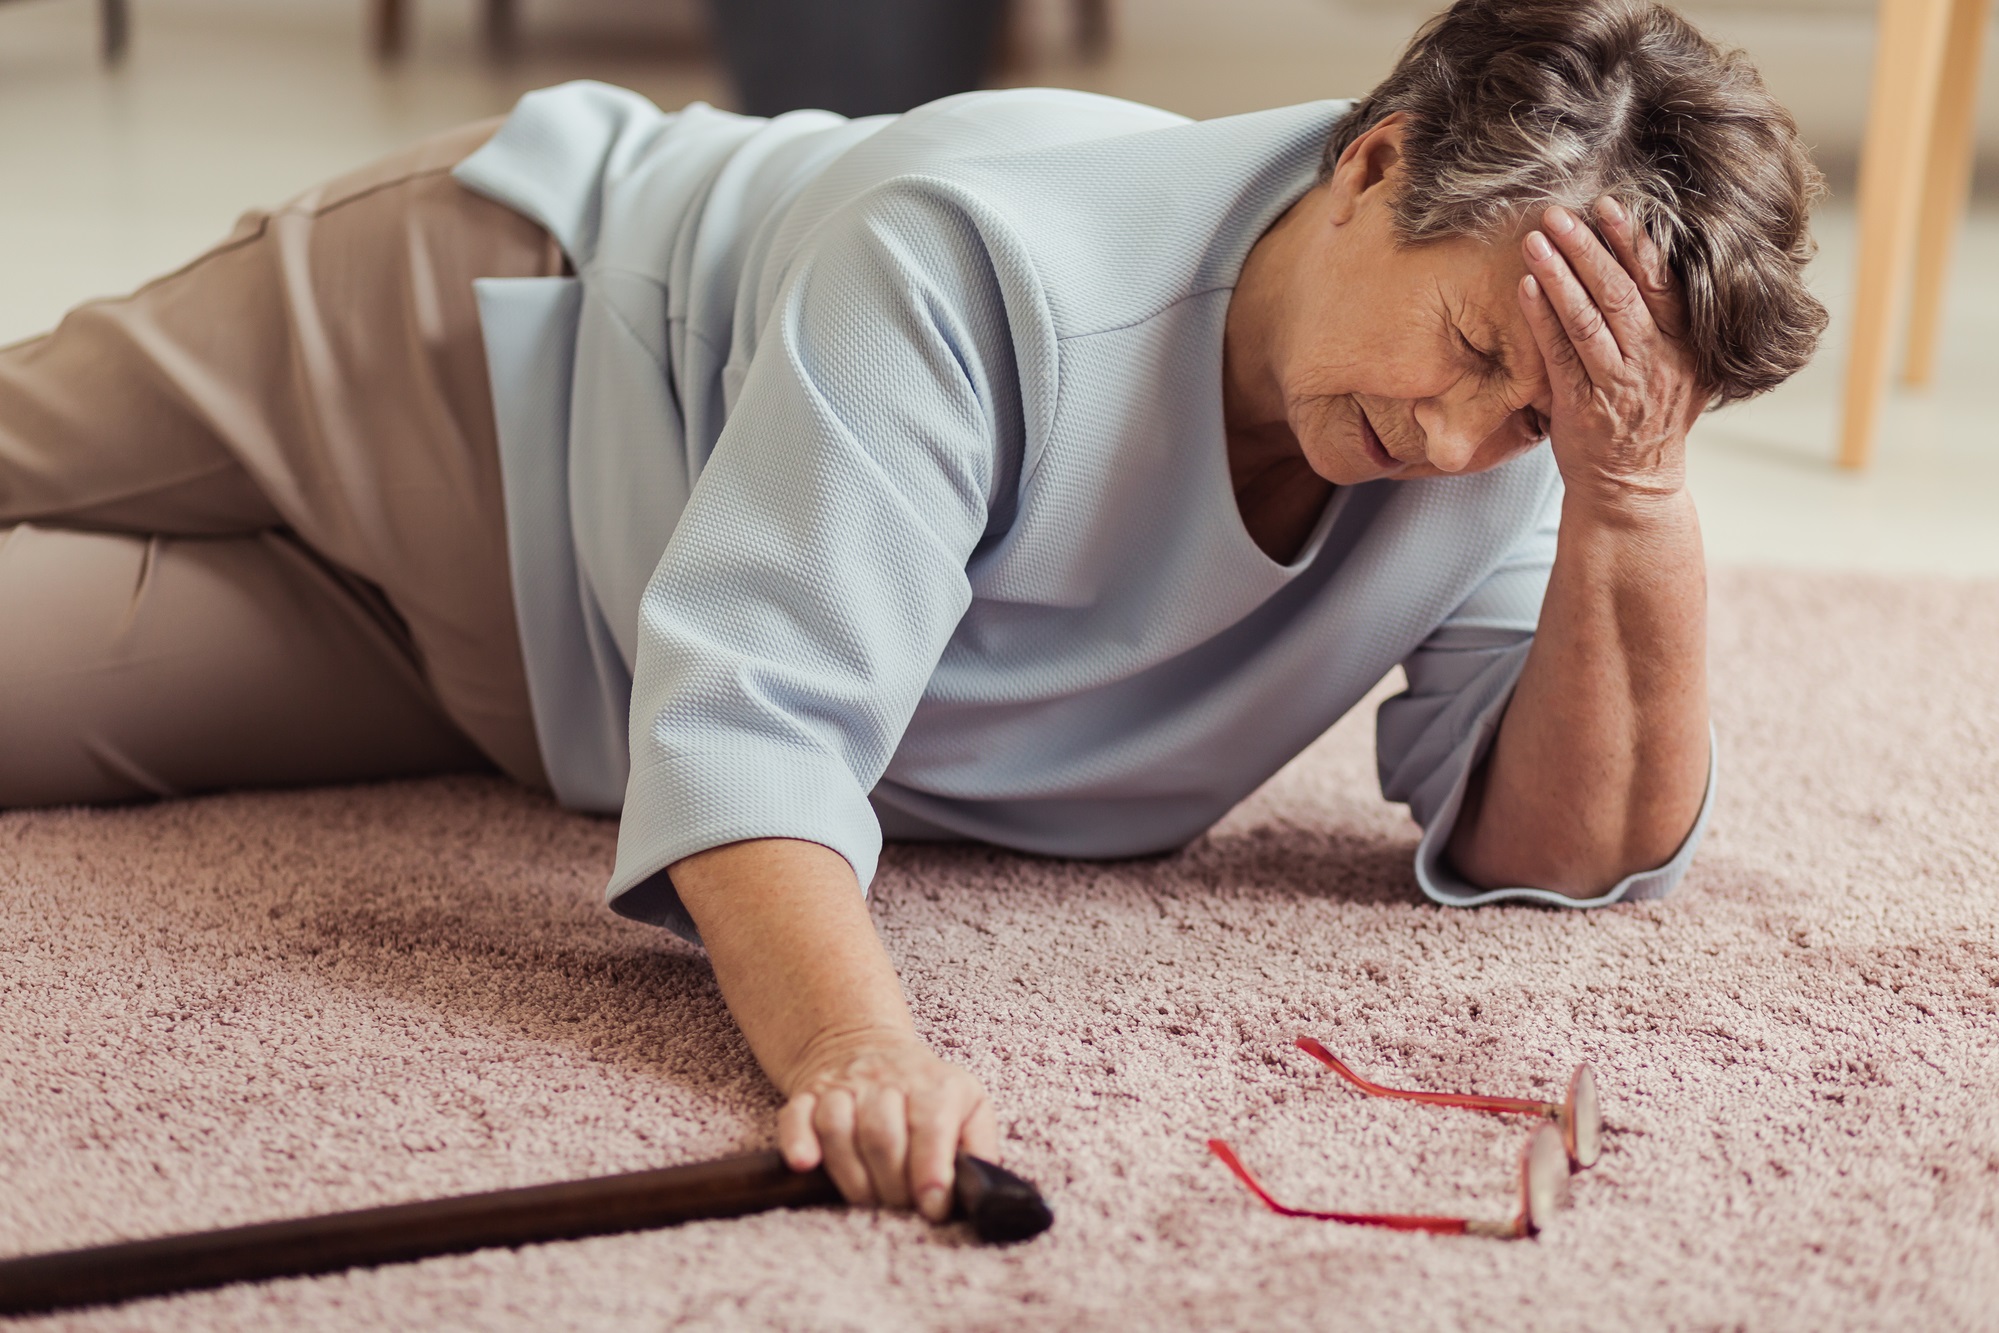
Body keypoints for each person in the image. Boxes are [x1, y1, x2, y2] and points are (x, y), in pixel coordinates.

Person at [0, 0, 1824, 1226]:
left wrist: (1628, 497)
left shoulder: (1518, 450)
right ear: (1373, 164)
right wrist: (859, 1044)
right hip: (457, 354)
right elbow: (759, 731)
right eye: (1475, 348)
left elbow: (1562, 849)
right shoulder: (981, 261)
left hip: (530, 675)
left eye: (1538, 414)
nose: (1449, 435)